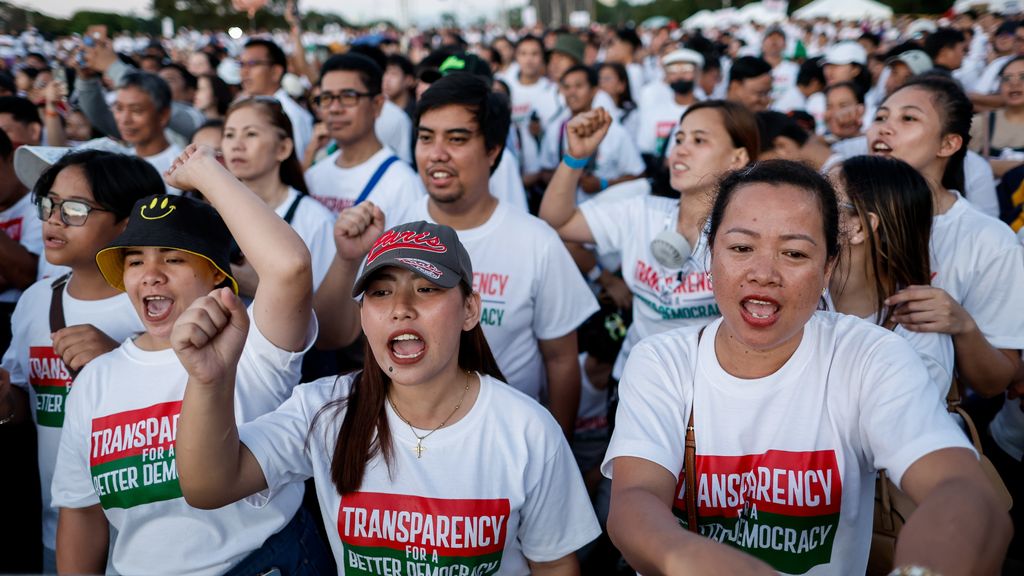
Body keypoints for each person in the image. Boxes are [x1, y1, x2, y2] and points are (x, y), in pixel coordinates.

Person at [604, 159, 1011, 575]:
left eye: (794, 253)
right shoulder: (662, 362)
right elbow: (634, 501)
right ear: (710, 255)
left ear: (828, 267)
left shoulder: (868, 356)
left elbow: (961, 489)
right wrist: (691, 559)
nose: (763, 274)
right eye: (741, 248)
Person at [171, 220, 601, 574]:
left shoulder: (526, 429)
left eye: (427, 288)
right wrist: (210, 381)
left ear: (470, 309)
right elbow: (209, 486)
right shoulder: (325, 411)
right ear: (363, 315)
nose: (401, 307)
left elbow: (555, 566)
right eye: (380, 292)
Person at [50, 145, 330, 575]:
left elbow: (289, 266)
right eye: (136, 260)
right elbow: (82, 513)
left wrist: (205, 172)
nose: (151, 274)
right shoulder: (97, 378)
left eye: (174, 258)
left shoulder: (254, 343)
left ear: (217, 273)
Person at [315, 73, 597, 438]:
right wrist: (347, 258)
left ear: (493, 149)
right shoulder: (390, 230)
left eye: (457, 139)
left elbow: (560, 362)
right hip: (402, 444)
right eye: (426, 137)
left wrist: (554, 451)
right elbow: (334, 337)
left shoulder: (536, 241)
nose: (437, 154)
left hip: (505, 444)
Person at [1, 148, 158, 571]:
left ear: (127, 223)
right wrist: (5, 402)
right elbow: (24, 401)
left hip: (149, 535)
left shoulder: (156, 305)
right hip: (60, 529)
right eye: (48, 203)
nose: (53, 218)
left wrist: (119, 361)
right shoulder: (35, 302)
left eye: (75, 209)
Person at [539, 100, 759, 381]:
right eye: (679, 138)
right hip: (636, 381)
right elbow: (557, 220)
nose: (680, 148)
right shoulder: (642, 212)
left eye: (699, 140)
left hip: (705, 394)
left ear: (737, 158)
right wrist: (575, 157)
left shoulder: (751, 238)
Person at [868, 75, 1024, 398]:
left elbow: (995, 382)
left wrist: (962, 325)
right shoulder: (835, 216)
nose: (884, 128)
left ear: (948, 144)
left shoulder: (988, 240)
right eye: (881, 116)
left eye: (908, 118)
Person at [827, 155, 953, 398]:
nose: (805, 207)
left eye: (824, 199)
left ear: (859, 228)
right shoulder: (800, 298)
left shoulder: (919, 330)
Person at [222, 96, 335, 292]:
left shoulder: (315, 220)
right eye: (229, 135)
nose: (236, 145)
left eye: (250, 134)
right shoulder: (216, 212)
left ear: (283, 148)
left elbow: (326, 309)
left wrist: (258, 285)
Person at [303, 53, 423, 220]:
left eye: (348, 97)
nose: (335, 108)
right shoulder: (314, 176)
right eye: (327, 98)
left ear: (377, 105)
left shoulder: (403, 185)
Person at [539, 65, 644, 195]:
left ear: (594, 91)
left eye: (578, 86)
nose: (572, 92)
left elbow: (638, 175)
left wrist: (604, 184)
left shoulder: (615, 132)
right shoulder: (554, 130)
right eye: (567, 87)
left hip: (606, 210)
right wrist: (568, 177)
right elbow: (544, 172)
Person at [239, 38, 314, 161]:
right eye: (241, 64)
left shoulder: (291, 115)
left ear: (276, 72)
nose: (244, 72)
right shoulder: (242, 105)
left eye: (252, 64)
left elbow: (296, 164)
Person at [637, 49, 704, 158]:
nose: (680, 75)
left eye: (686, 69)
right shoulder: (654, 112)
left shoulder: (710, 112)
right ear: (666, 75)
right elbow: (645, 149)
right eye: (673, 70)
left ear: (697, 73)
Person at [969, 56, 1024, 178]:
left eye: (1023, 77)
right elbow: (960, 167)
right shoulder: (979, 124)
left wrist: (993, 166)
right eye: (1006, 79)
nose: (1014, 84)